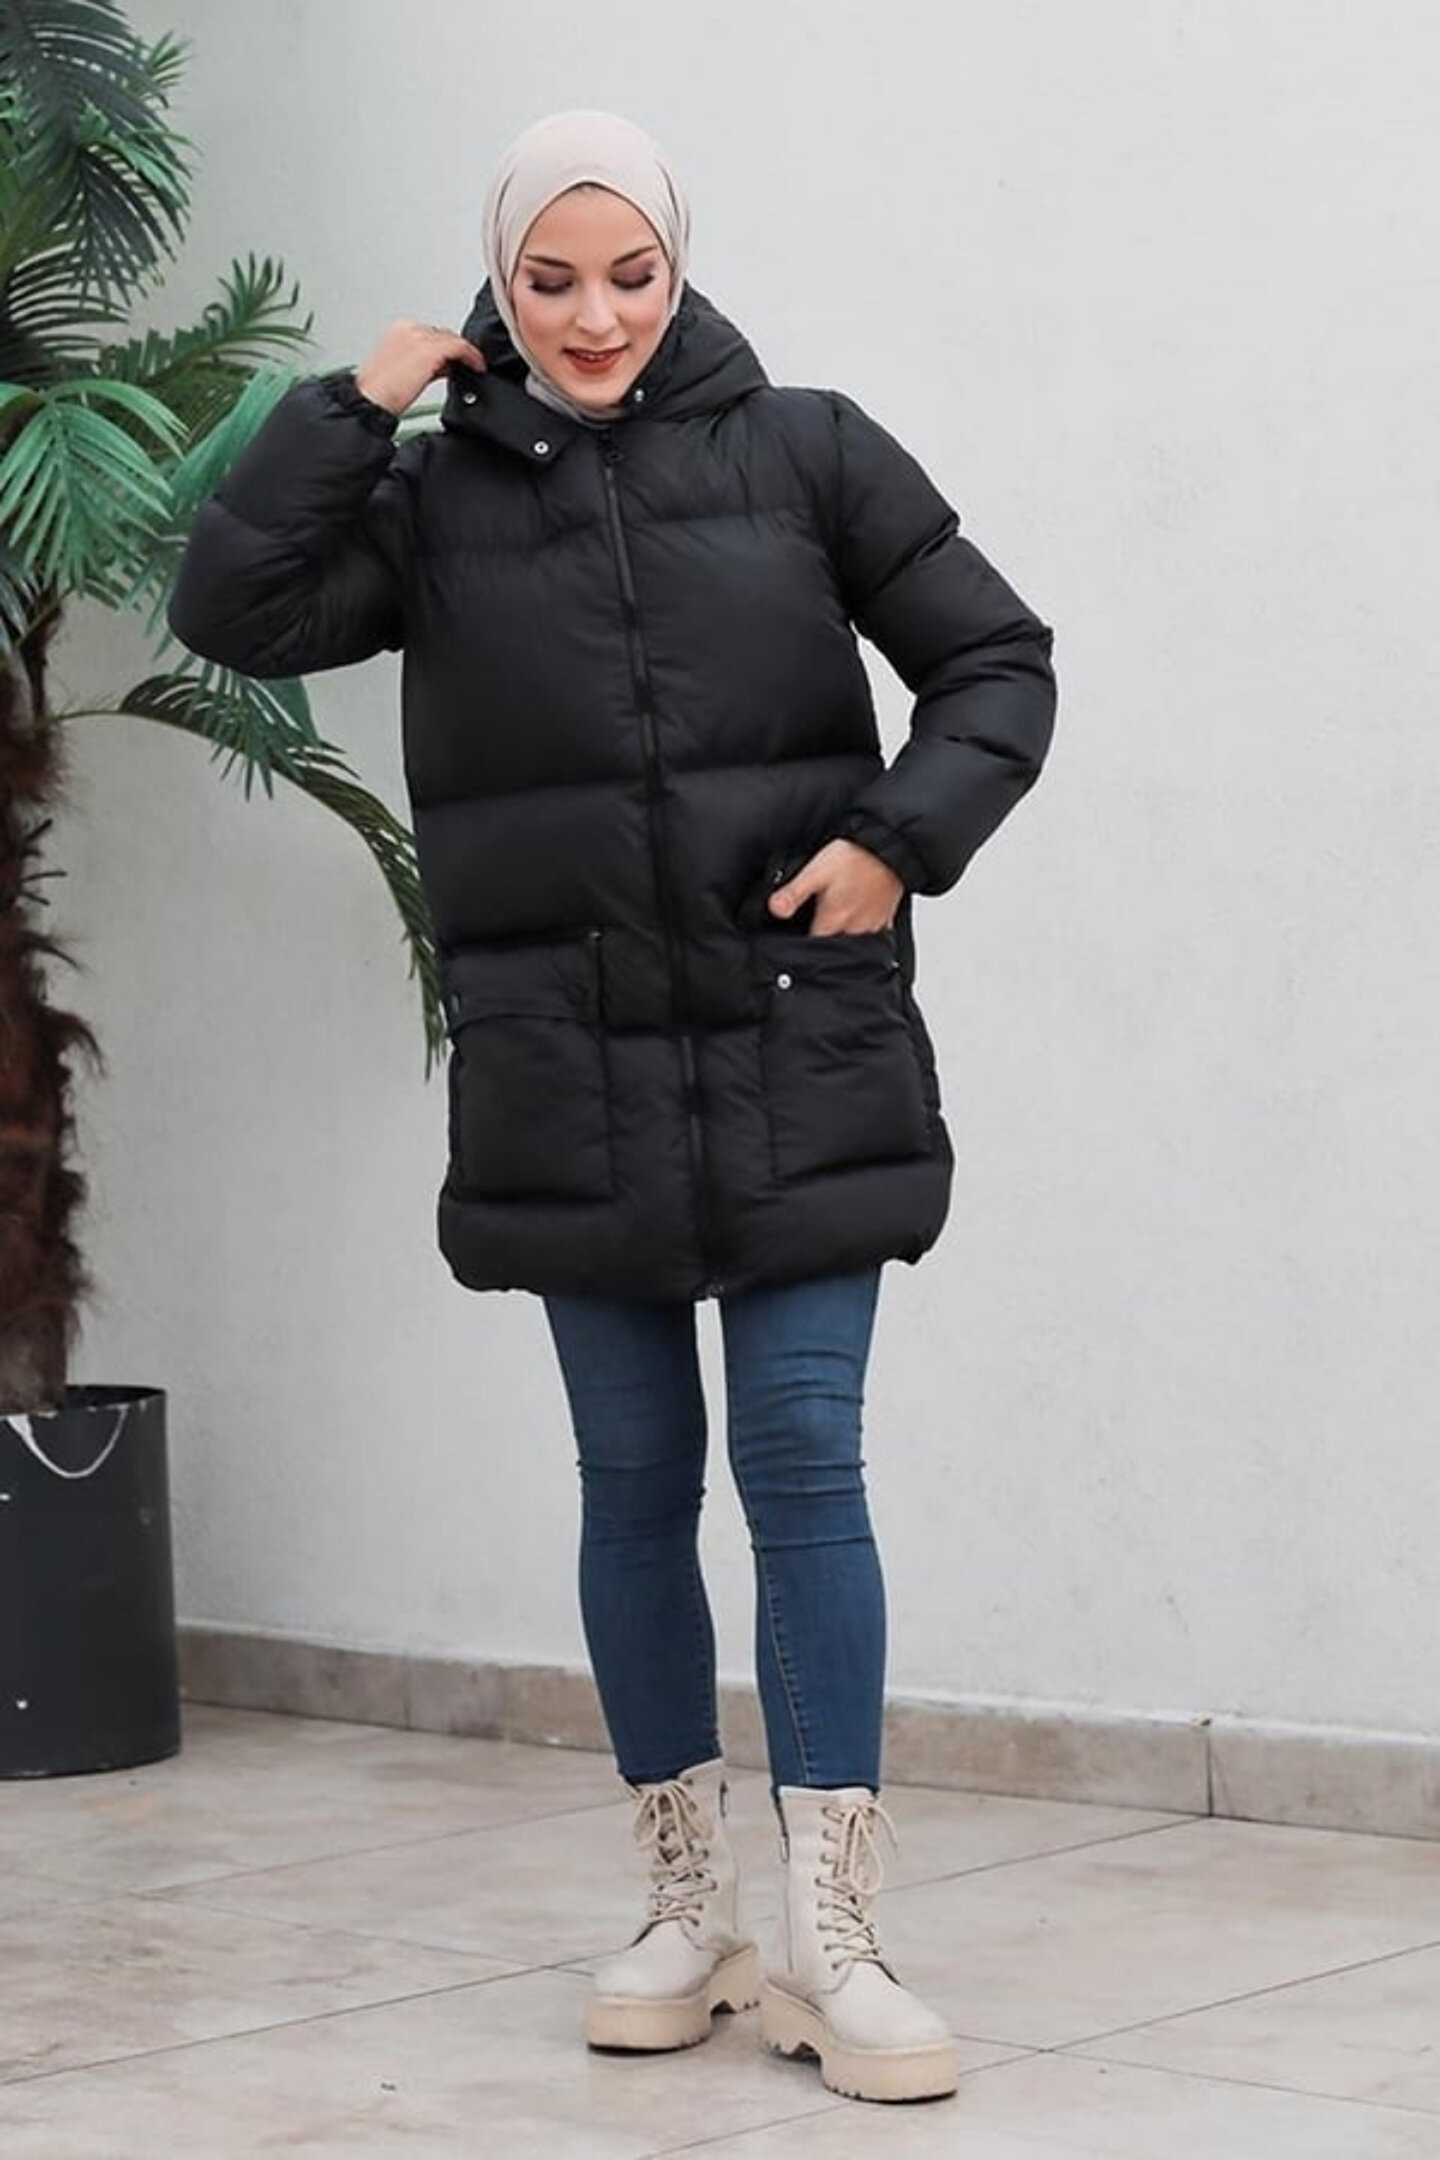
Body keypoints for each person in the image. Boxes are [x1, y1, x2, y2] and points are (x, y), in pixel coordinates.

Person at [168, 108, 1056, 2106]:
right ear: (500, 282)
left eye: (631, 276)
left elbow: (997, 661)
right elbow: (232, 613)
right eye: (550, 281)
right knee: (634, 1476)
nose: (593, 318)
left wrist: (898, 842)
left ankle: (837, 1933)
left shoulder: (809, 451)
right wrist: (350, 406)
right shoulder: (429, 500)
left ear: (680, 264)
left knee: (804, 1457)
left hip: (794, 1034)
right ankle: (684, 1904)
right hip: (565, 1058)